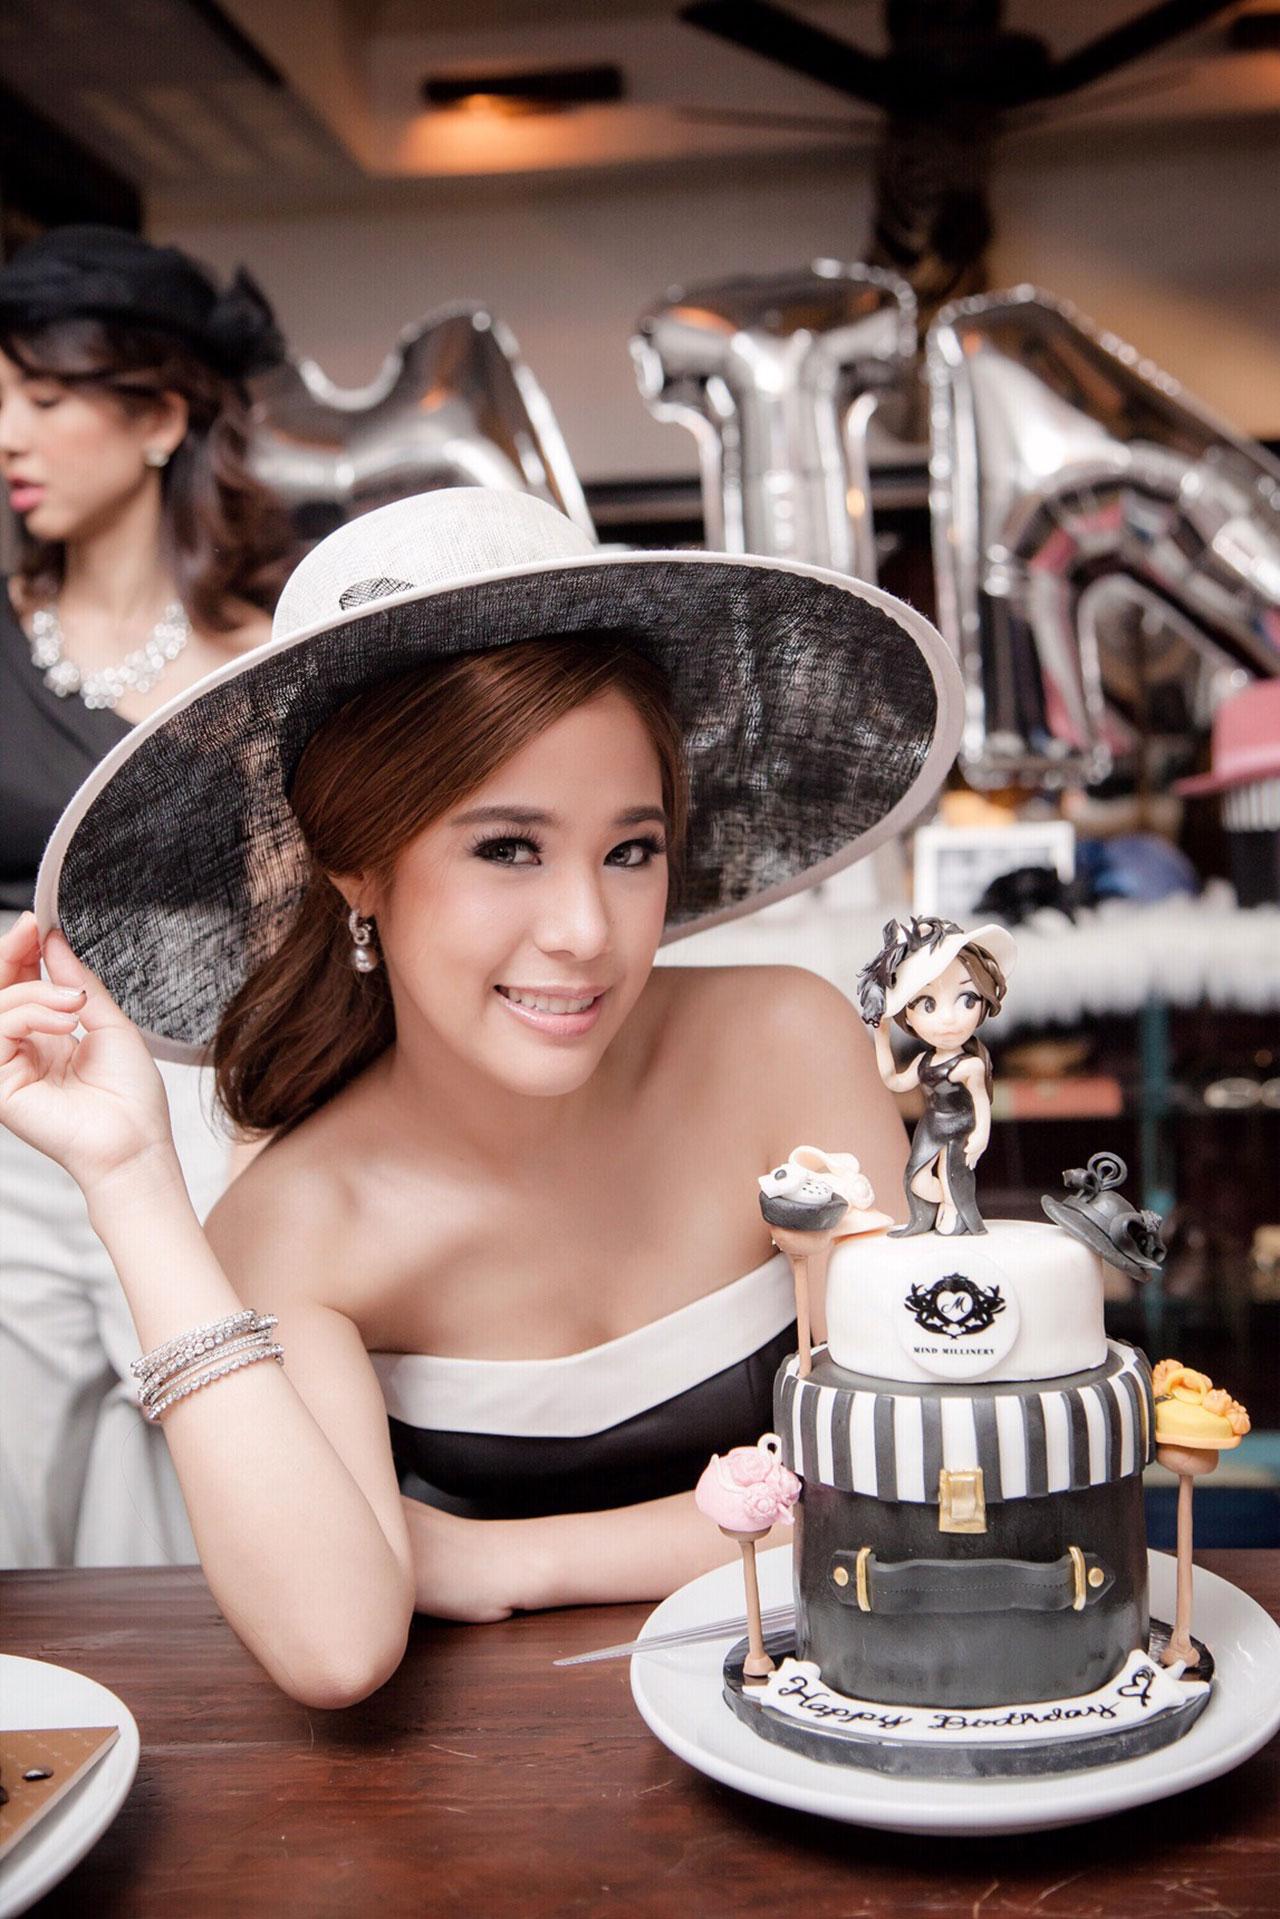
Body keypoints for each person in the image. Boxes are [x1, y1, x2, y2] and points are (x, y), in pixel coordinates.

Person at [0, 484, 961, 1706]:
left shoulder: (781, 1043)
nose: (585, 929)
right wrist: (130, 1180)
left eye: (629, 849)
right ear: (356, 862)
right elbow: (335, 1645)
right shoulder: (301, 1224)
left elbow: (934, 1478)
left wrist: (495, 1557)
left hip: (860, 1718)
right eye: (507, 848)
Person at [0, 225, 294, 1567]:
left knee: (199, 1436)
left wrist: (264, 1143)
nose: (9, 434)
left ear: (163, 417)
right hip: (8, 1094)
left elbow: (289, 932)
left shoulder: (266, 654)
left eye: (45, 397)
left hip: (194, 1100)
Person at [857, 916, 1016, 1237]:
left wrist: (981, 1136)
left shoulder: (970, 1066)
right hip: (931, 1127)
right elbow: (894, 1081)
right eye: (927, 1004)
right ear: (908, 1014)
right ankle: (945, 1203)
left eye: (967, 1000)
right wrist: (881, 1038)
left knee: (951, 1173)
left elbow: (981, 1103)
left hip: (960, 1128)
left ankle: (955, 1209)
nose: (948, 1019)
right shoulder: (923, 1061)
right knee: (916, 1178)